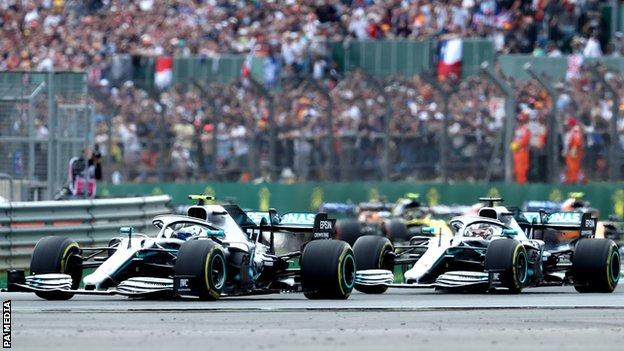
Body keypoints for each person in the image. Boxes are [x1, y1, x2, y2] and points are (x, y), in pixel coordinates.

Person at [511, 112, 531, 184]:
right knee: (516, 170)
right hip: (517, 152)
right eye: (518, 121)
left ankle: (522, 186)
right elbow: (515, 139)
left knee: (522, 170)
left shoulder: (526, 130)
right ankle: (519, 185)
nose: (519, 122)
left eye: (520, 121)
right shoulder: (517, 130)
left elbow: (525, 140)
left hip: (523, 152)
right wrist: (514, 144)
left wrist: (517, 145)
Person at [563, 117, 584, 184]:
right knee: (570, 168)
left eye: (568, 124)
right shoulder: (569, 132)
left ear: (571, 125)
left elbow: (576, 144)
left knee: (573, 168)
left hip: (573, 153)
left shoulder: (575, 132)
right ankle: (571, 181)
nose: (566, 126)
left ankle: (575, 182)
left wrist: (573, 153)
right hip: (570, 153)